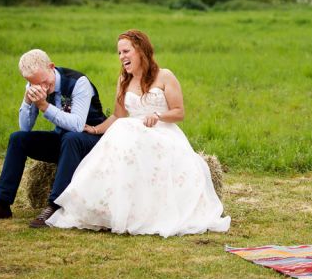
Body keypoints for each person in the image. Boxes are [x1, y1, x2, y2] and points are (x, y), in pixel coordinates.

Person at [46, 29, 230, 237]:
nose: (122, 57)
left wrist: (158, 115)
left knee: (127, 130)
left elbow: (179, 112)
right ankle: (106, 207)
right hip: (132, 135)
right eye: (119, 53)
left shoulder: (165, 76)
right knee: (123, 128)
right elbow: (118, 116)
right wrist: (96, 129)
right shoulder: (123, 81)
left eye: (126, 51)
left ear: (141, 50)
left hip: (162, 134)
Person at [0, 49, 106, 228]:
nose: (42, 88)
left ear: (51, 67)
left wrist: (44, 106)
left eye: (44, 82)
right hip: (64, 141)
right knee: (18, 138)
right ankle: (2, 204)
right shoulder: (34, 84)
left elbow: (76, 124)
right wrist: (28, 102)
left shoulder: (78, 82)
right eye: (34, 83)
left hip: (91, 141)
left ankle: (54, 206)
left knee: (71, 138)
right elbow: (25, 127)